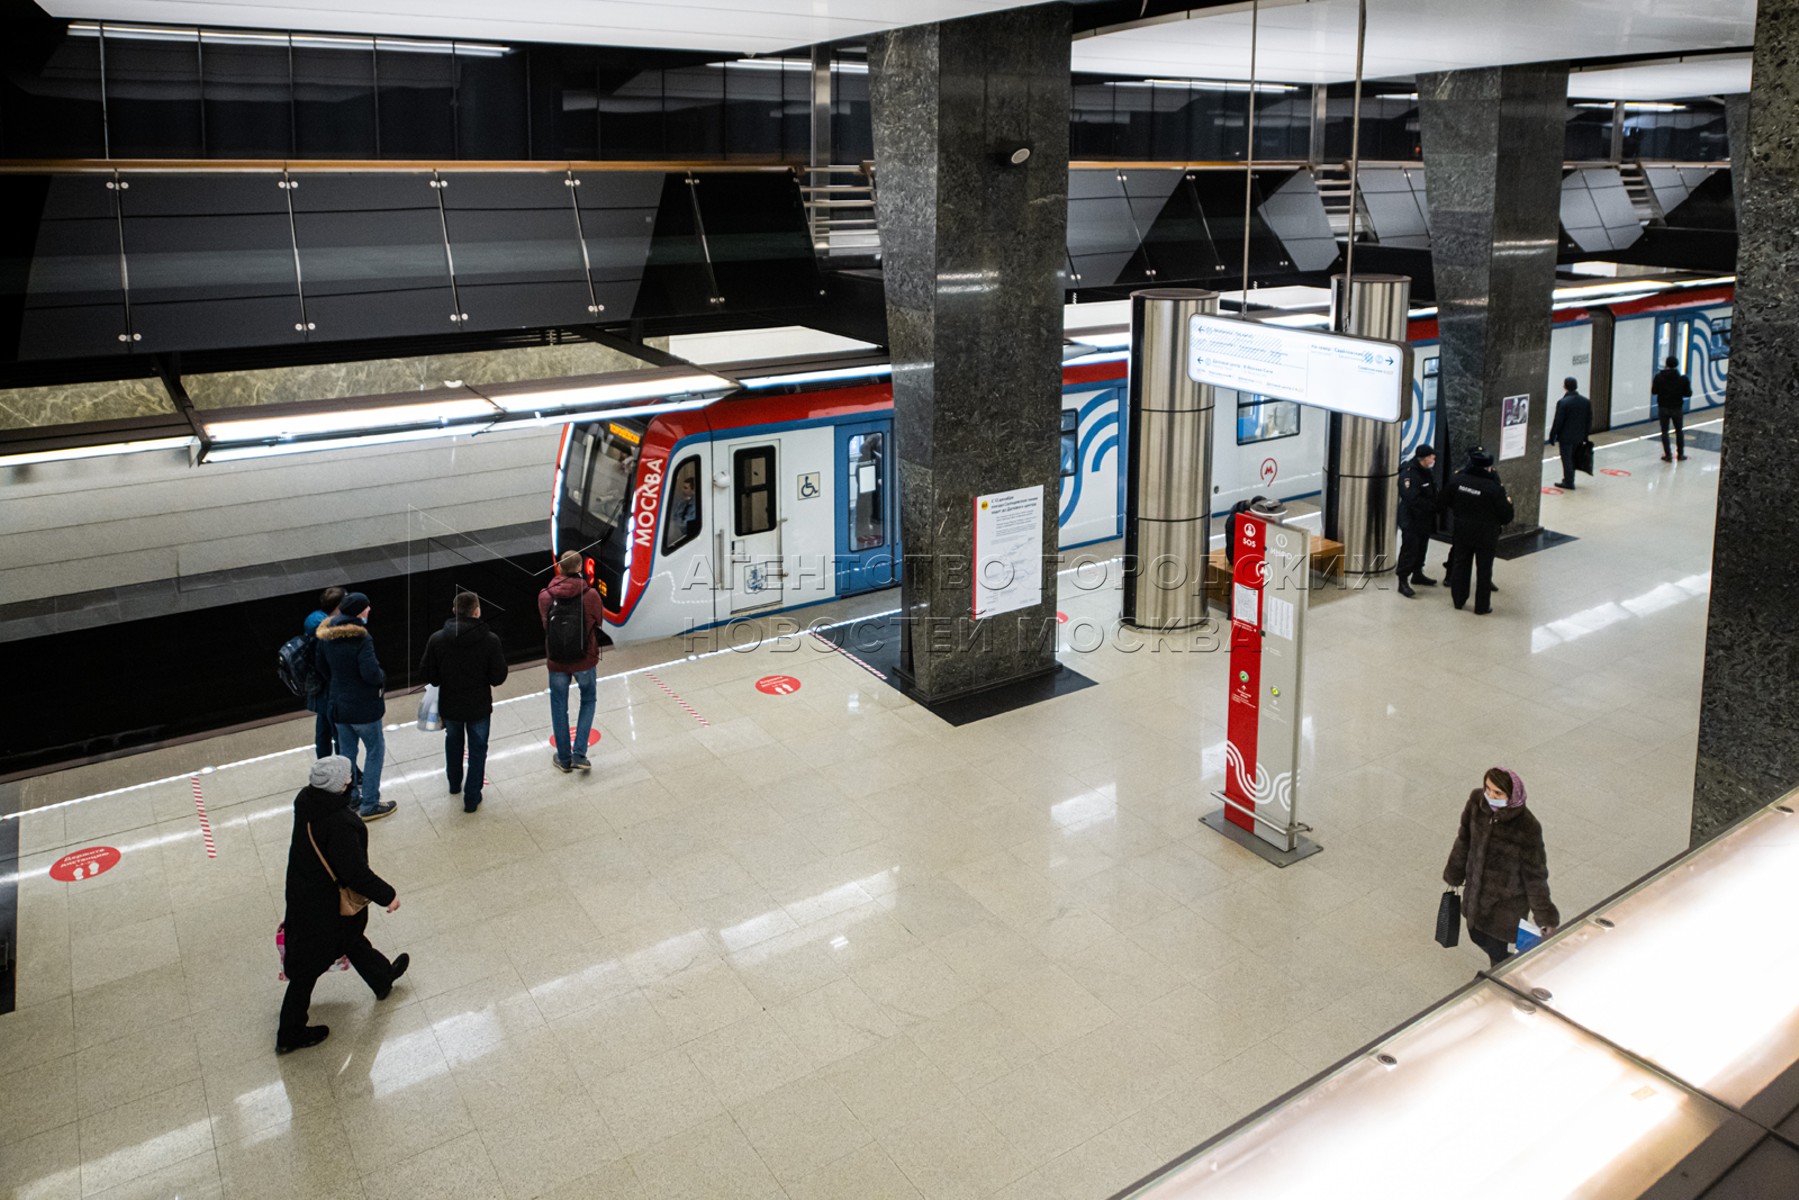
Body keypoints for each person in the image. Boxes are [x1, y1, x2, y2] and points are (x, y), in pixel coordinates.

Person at [277, 755, 407, 1054]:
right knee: (309, 965)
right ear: (344, 784)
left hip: (304, 891)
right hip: (324, 904)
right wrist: (388, 895)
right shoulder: (339, 822)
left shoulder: (307, 801)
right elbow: (354, 872)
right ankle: (290, 1032)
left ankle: (382, 977)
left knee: (349, 937)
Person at [1442, 766, 1559, 966]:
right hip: (1476, 893)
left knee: (1496, 948)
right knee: (1476, 935)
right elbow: (1464, 840)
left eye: (1498, 792)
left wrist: (1544, 916)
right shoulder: (1476, 803)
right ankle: (1509, 967)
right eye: (1488, 789)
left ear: (1511, 795)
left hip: (1505, 904)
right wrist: (1454, 873)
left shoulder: (1527, 827)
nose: (1490, 795)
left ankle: (1501, 976)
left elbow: (1535, 876)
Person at [421, 591, 509, 813]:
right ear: (477, 612)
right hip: (478, 705)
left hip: (450, 705)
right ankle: (472, 797)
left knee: (453, 742)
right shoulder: (490, 640)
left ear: (454, 611)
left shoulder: (437, 639)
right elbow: (498, 677)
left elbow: (428, 674)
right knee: (478, 748)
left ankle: (453, 783)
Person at [315, 592, 396, 820]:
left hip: (339, 706)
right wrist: (382, 675)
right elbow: (370, 673)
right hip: (364, 708)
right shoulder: (361, 638)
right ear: (359, 612)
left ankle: (350, 797)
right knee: (375, 751)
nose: (369, 610)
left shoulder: (326, 635)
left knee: (346, 754)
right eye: (367, 608)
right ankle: (370, 804)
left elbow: (321, 667)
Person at [539, 551, 604, 773]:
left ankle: (564, 758)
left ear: (558, 567)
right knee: (588, 700)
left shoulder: (545, 595)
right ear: (581, 568)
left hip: (557, 661)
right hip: (585, 659)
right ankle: (579, 754)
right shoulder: (591, 595)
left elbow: (546, 625)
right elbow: (599, 622)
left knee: (559, 706)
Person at [1441, 447, 1514, 615]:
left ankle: (1458, 600)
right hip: (1486, 534)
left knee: (1461, 564)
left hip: (1462, 529)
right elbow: (1506, 516)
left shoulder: (1457, 480)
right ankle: (1482, 606)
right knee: (1484, 570)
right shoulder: (1494, 488)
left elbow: (1445, 500)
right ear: (1488, 467)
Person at [302, 587, 345, 759]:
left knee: (323, 732)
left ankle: (323, 766)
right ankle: (346, 771)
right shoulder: (330, 633)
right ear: (339, 605)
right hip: (331, 688)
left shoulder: (314, 622)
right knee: (340, 732)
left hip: (319, 688)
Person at [1395, 444, 1439, 598]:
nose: (1434, 459)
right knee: (1410, 549)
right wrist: (1432, 506)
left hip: (1424, 518)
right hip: (1411, 519)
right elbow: (1411, 498)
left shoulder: (1425, 471)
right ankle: (1403, 580)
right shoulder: (1409, 474)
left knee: (1422, 547)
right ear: (1424, 458)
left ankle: (1417, 573)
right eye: (1431, 456)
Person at [1547, 377, 1592, 490]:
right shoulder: (1585, 402)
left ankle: (1569, 481)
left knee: (1566, 459)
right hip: (1579, 437)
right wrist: (1586, 435)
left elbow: (1558, 421)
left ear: (1565, 386)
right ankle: (1570, 478)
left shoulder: (1563, 402)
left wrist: (1552, 436)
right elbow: (1589, 420)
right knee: (1572, 458)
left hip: (1566, 437)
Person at [1652, 355, 1692, 462]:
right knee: (1679, 431)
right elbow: (1688, 393)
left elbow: (1654, 391)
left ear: (1666, 364)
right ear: (1677, 365)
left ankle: (1668, 455)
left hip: (1663, 408)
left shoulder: (1659, 377)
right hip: (1677, 408)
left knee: (1664, 432)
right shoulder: (1683, 379)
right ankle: (1680, 455)